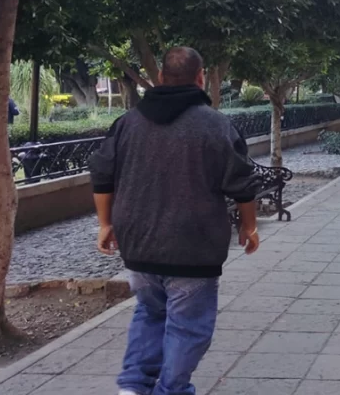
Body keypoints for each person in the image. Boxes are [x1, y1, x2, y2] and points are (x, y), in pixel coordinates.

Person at [88, 47, 260, 395]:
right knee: (188, 327)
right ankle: (170, 390)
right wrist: (249, 227)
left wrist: (105, 224)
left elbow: (102, 176)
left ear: (161, 77)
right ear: (200, 78)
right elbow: (242, 183)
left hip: (138, 242)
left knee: (150, 311)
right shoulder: (216, 125)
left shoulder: (127, 123)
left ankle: (133, 387)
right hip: (193, 244)